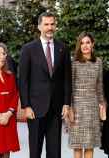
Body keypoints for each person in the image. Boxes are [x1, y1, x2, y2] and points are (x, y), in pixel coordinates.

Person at [19, 12, 71, 158]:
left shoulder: (63, 48)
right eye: (46, 24)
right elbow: (23, 80)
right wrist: (26, 106)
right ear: (39, 26)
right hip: (35, 108)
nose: (50, 27)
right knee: (35, 150)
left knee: (55, 151)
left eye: (52, 24)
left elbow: (67, 78)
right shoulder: (28, 49)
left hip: (56, 107)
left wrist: (66, 103)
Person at [68, 32, 105, 158]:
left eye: (88, 42)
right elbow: (70, 87)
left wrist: (102, 106)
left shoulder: (98, 62)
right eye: (82, 43)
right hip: (77, 108)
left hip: (92, 108)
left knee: (90, 145)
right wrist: (70, 108)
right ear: (79, 45)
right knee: (77, 145)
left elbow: (99, 86)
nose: (85, 46)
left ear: (92, 44)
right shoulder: (74, 62)